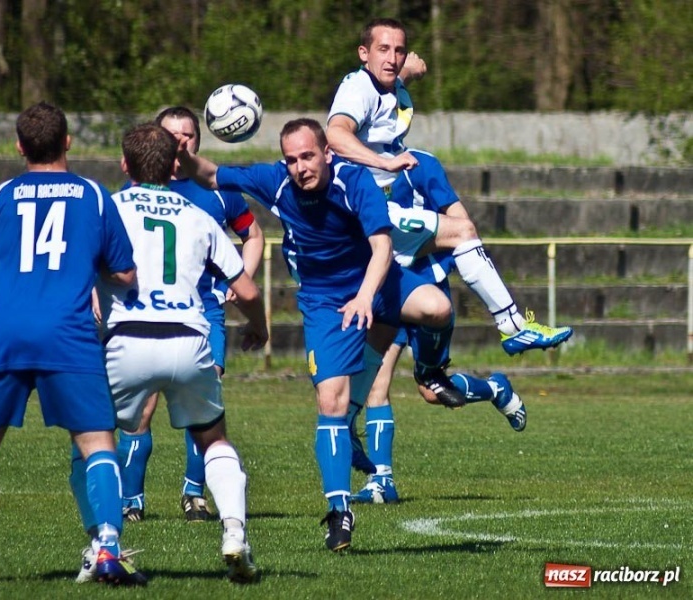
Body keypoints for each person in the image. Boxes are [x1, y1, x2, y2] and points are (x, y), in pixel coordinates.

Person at [177, 117, 462, 552]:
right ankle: (338, 511)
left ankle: (430, 371)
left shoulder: (355, 181)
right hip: (324, 300)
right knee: (331, 402)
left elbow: (383, 247)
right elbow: (214, 175)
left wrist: (366, 297)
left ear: (327, 152)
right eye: (291, 159)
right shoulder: (276, 181)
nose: (300, 167)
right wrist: (184, 157)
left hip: (375, 282)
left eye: (308, 156)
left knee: (437, 308)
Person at [0, 102, 144, 586]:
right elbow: (125, 273)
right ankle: (109, 548)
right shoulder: (93, 195)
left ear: (19, 146)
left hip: (5, 334)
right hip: (68, 333)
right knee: (96, 443)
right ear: (67, 141)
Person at [73, 123, 268, 584]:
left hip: (126, 341)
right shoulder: (198, 214)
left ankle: (104, 545)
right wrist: (258, 326)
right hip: (188, 339)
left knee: (90, 444)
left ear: (125, 164)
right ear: (174, 164)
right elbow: (246, 290)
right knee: (213, 438)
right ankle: (234, 533)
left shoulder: (107, 209)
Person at [326, 17, 573, 357]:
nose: (392, 58)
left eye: (399, 50)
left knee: (381, 334)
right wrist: (384, 163)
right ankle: (512, 327)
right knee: (462, 231)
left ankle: (367, 394)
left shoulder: (386, 83)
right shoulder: (358, 89)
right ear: (363, 53)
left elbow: (395, 77)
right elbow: (336, 133)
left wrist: (411, 71)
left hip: (377, 210)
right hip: (360, 212)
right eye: (383, 49)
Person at [349, 151, 528, 505]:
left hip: (427, 288)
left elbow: (462, 225)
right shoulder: (354, 171)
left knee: (431, 391)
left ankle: (494, 389)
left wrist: (417, 242)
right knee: (376, 385)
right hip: (387, 288)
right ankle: (381, 481)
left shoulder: (420, 165)